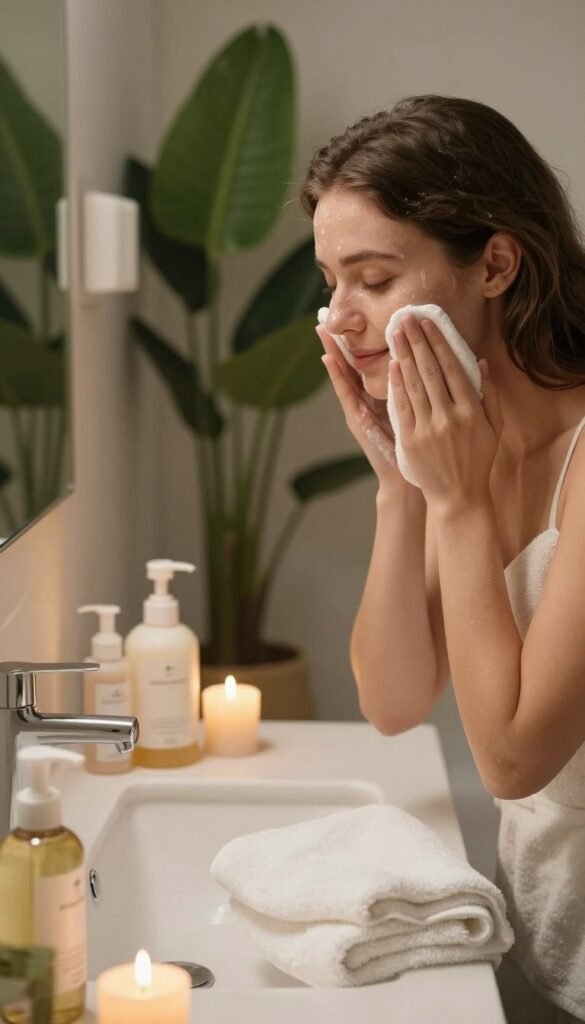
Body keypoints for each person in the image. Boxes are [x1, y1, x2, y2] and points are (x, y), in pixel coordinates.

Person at [301, 94, 585, 1024]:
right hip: (550, 947)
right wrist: (400, 488)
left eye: (373, 279)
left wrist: (456, 506)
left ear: (495, 262)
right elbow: (391, 700)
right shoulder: (463, 441)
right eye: (330, 283)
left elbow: (511, 762)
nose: (340, 319)